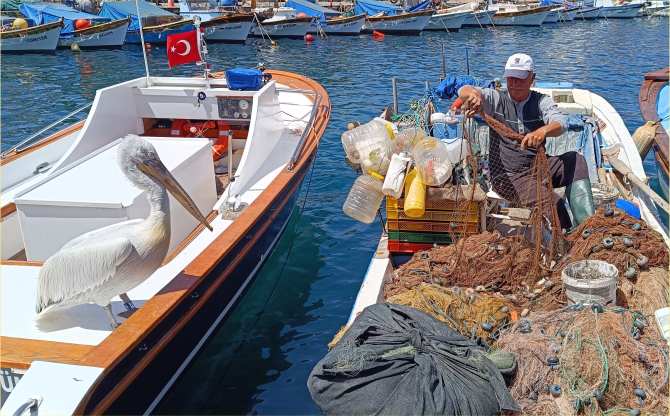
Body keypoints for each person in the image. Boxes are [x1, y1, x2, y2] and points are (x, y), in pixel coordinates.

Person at [458, 53, 595, 230]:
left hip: (538, 169)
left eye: (520, 78)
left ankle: (588, 225)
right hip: (507, 177)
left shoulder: (541, 101)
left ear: (532, 78)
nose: (515, 83)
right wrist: (474, 95)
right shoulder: (496, 99)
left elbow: (562, 123)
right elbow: (464, 91)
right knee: (554, 203)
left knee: (575, 160)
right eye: (510, 78)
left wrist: (543, 131)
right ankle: (567, 242)